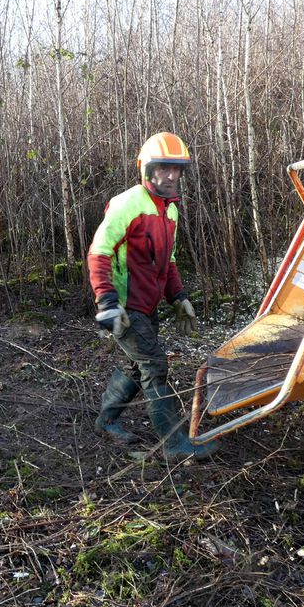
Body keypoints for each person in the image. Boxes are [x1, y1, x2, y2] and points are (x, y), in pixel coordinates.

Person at [86, 132, 219, 461]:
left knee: (137, 365)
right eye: (163, 168)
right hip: (125, 306)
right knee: (154, 364)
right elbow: (99, 252)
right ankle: (173, 445)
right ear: (146, 169)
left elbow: (168, 261)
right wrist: (107, 303)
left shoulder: (170, 211)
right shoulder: (128, 203)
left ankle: (106, 421)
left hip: (148, 305)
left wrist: (178, 296)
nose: (171, 176)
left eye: (176, 170)